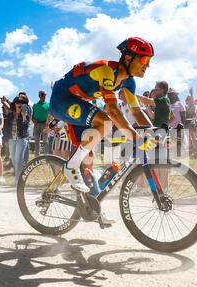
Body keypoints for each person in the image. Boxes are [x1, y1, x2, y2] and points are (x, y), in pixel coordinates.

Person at [49, 37, 155, 224]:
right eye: (144, 60)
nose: (147, 65)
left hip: (80, 105)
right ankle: (70, 166)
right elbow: (113, 111)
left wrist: (155, 132)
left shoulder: (128, 83)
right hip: (61, 100)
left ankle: (94, 208)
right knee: (105, 121)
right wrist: (137, 139)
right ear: (128, 58)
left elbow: (137, 112)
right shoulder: (107, 70)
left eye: (149, 61)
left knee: (89, 160)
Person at [7, 97, 30, 184]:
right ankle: (23, 173)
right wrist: (6, 139)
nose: (19, 104)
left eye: (21, 103)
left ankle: (18, 180)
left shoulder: (25, 114)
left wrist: (24, 117)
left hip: (22, 139)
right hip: (11, 139)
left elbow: (27, 126)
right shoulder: (10, 115)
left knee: (18, 159)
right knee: (13, 159)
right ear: (15, 105)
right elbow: (6, 127)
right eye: (17, 102)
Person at [32, 90, 50, 156]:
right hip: (37, 125)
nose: (44, 96)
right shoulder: (35, 105)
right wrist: (33, 120)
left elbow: (50, 115)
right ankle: (37, 155)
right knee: (36, 140)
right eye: (42, 94)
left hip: (45, 124)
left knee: (45, 140)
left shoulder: (48, 105)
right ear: (39, 96)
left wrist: (48, 122)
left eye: (45, 94)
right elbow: (32, 115)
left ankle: (46, 156)